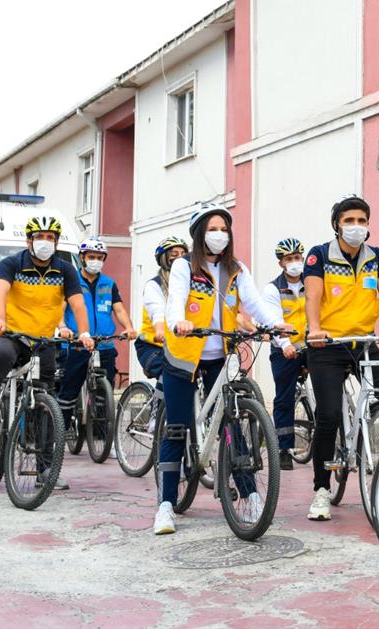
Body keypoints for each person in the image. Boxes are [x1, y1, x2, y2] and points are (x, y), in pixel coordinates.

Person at [153, 203, 286, 535]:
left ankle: (251, 493)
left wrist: (277, 326)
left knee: (233, 425)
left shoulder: (236, 269)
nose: (220, 235)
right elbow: (175, 302)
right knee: (177, 427)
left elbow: (254, 304)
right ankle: (166, 505)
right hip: (184, 354)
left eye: (224, 229)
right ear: (200, 234)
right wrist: (178, 322)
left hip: (219, 355)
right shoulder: (184, 266)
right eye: (213, 229)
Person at [302, 194, 379, 523]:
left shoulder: (375, 257)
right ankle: (322, 489)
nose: (356, 226)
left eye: (362, 221)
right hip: (327, 344)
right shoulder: (319, 256)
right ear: (337, 224)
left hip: (363, 342)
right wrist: (314, 329)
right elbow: (313, 295)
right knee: (327, 415)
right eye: (349, 220)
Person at [0, 217, 93, 427]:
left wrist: (84, 332)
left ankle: (46, 455)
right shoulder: (11, 264)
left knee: (46, 399)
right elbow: (0, 290)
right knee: (0, 354)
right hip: (11, 334)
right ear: (29, 241)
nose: (45, 241)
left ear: (57, 242)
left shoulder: (66, 270)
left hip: (42, 340)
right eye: (39, 236)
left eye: (50, 237)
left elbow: (77, 303)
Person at [57, 238, 136, 426]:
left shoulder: (109, 283)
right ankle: (61, 429)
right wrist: (62, 327)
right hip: (76, 343)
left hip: (104, 343)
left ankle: (101, 431)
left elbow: (119, 309)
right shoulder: (71, 280)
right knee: (69, 389)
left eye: (100, 257)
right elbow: (59, 308)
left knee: (104, 390)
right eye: (91, 256)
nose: (95, 261)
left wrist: (129, 327)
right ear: (82, 258)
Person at [260, 237, 308, 471]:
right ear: (281, 263)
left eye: (297, 257)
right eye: (289, 259)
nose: (295, 262)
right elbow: (274, 319)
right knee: (284, 397)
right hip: (285, 348)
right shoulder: (273, 288)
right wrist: (285, 344)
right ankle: (284, 448)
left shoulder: (312, 282)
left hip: (311, 345)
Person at [136, 237, 189, 393]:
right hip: (153, 346)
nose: (179, 257)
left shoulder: (191, 284)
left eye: (183, 253)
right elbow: (157, 310)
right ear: (163, 258)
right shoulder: (155, 285)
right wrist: (160, 330)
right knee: (171, 372)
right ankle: (156, 416)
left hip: (179, 345)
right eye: (174, 253)